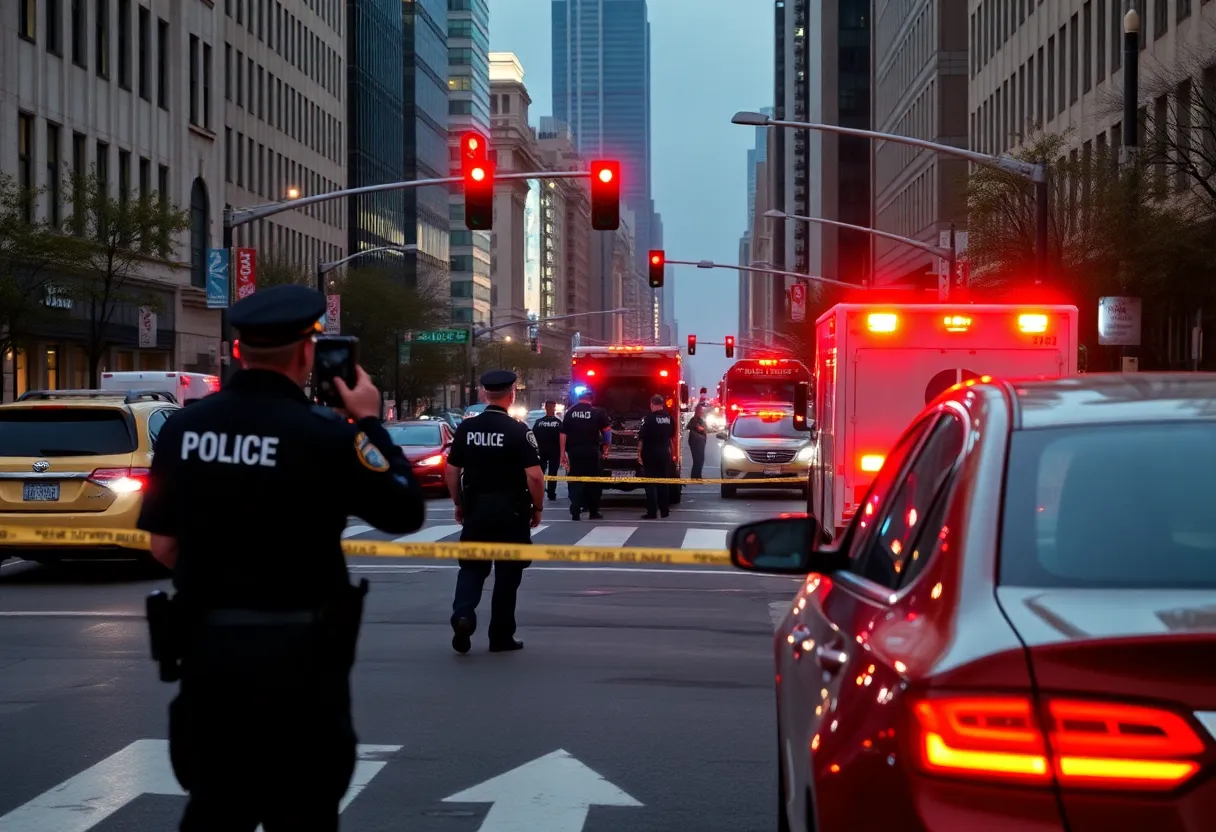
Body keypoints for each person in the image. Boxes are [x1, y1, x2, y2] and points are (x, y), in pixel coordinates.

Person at [136, 283, 426, 832]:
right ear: (306, 353)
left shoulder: (184, 428)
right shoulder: (325, 435)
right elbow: (405, 510)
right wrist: (367, 422)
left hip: (210, 655)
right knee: (305, 812)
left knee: (214, 808)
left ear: (240, 351)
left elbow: (163, 545)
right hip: (303, 661)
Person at [446, 369, 546, 654]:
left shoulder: (466, 429)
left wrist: (458, 503)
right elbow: (536, 477)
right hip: (511, 513)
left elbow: (452, 470)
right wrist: (537, 508)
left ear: (482, 393)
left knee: (472, 568)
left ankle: (463, 615)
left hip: (476, 509)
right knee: (507, 574)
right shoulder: (518, 431)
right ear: (512, 394)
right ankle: (500, 636)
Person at [560, 388, 611, 521]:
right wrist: (606, 447)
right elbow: (607, 432)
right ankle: (593, 511)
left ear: (579, 398)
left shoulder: (570, 412)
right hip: (592, 451)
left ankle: (576, 511)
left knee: (576, 480)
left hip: (574, 451)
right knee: (593, 481)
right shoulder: (597, 412)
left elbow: (563, 434)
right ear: (591, 399)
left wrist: (562, 454)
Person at [637, 394, 676, 520]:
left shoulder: (649, 418)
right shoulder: (669, 418)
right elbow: (672, 435)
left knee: (650, 483)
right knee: (663, 482)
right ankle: (664, 511)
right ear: (662, 404)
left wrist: (639, 454)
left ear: (652, 404)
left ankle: (652, 512)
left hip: (650, 453)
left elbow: (642, 437)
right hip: (664, 453)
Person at [531, 400, 563, 501]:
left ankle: (539, 491)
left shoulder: (539, 422)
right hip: (554, 451)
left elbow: (533, 436)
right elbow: (562, 437)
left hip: (542, 451)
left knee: (541, 473)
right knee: (552, 473)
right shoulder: (558, 423)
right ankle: (551, 493)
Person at [686, 403, 708, 479]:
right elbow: (689, 427)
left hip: (701, 442)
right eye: (700, 410)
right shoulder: (694, 420)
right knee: (698, 459)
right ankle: (695, 476)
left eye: (701, 410)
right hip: (696, 443)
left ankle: (696, 475)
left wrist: (702, 429)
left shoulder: (701, 420)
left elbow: (705, 428)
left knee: (700, 460)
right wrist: (698, 427)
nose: (701, 412)